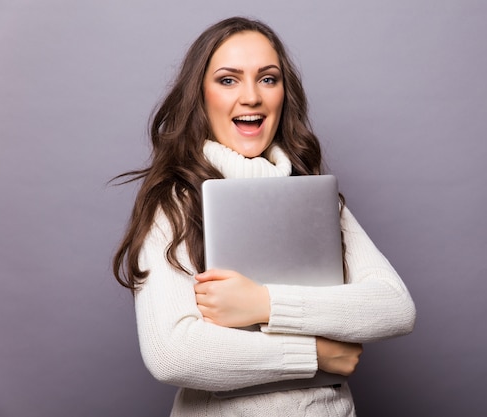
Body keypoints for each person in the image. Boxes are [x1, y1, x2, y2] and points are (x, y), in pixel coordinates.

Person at [113, 16, 415, 417]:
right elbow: (172, 352)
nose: (251, 96)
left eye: (268, 79)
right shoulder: (174, 202)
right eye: (228, 79)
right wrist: (315, 354)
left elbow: (395, 307)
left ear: (283, 95)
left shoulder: (316, 198)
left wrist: (263, 303)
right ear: (200, 96)